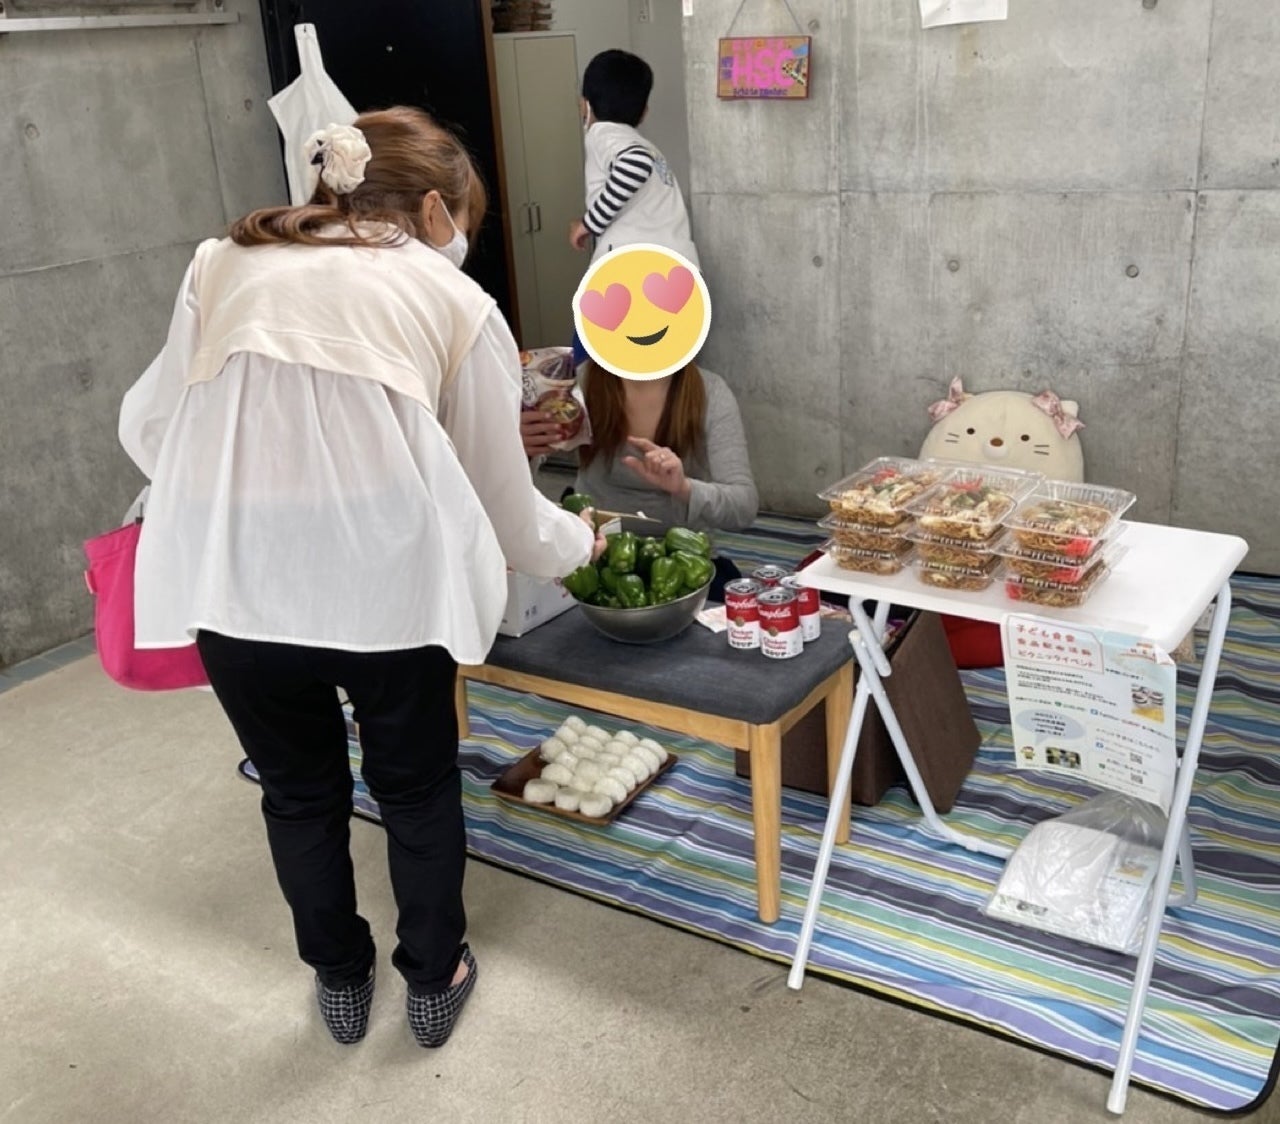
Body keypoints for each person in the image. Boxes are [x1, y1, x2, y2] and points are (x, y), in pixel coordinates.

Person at [117, 108, 606, 1050]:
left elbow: (149, 425)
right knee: (415, 788)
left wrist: (247, 482)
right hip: (389, 592)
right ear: (433, 209)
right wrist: (575, 546)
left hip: (237, 589)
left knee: (298, 794)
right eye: (464, 220)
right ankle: (433, 978)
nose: (461, 239)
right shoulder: (451, 298)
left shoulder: (220, 263)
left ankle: (340, 979)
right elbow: (502, 507)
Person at [521, 358, 758, 597]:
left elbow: (744, 506)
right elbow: (514, 493)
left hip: (683, 563)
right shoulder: (581, 382)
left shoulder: (710, 391)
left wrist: (684, 488)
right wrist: (523, 448)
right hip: (595, 555)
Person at [565, 49, 699, 366]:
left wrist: (587, 224)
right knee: (658, 372)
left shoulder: (603, 133)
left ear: (584, 104)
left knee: (587, 360)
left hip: (634, 273)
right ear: (644, 112)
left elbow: (633, 165)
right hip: (677, 276)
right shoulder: (645, 146)